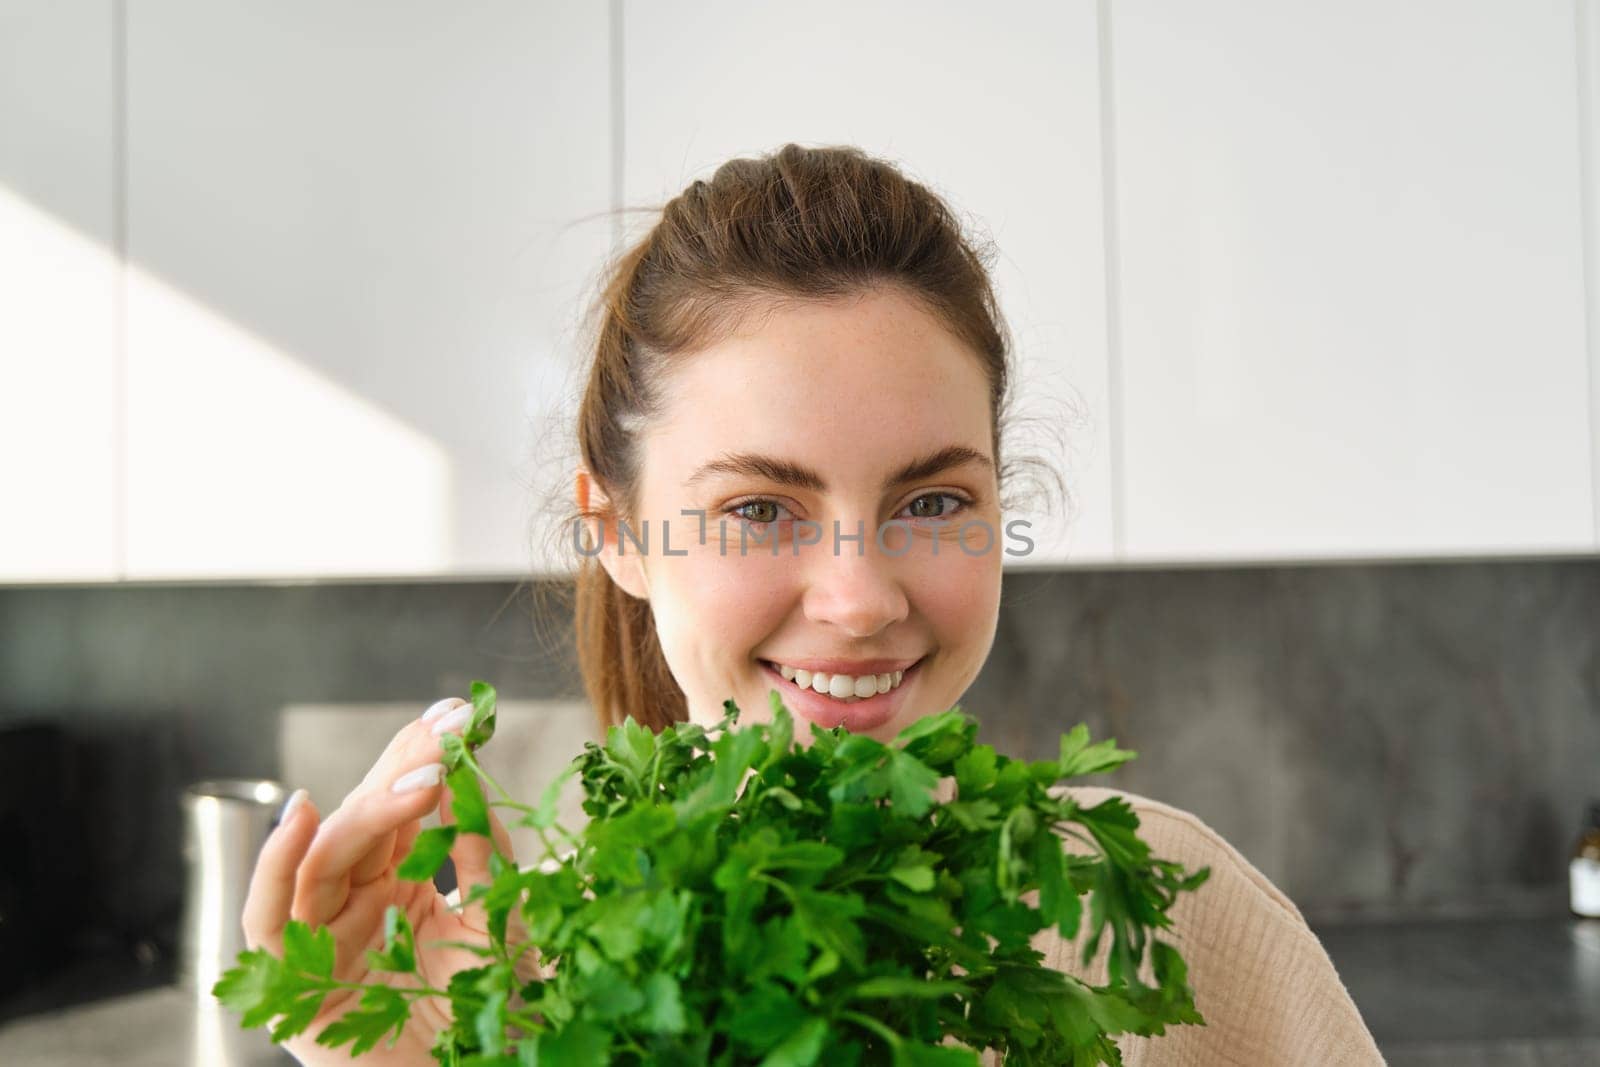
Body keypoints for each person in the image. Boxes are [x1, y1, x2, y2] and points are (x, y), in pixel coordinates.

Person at [242, 144, 1387, 1065]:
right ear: (620, 534)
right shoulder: (527, 986)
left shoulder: (1165, 921)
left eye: (932, 498)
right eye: (757, 508)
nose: (857, 597)